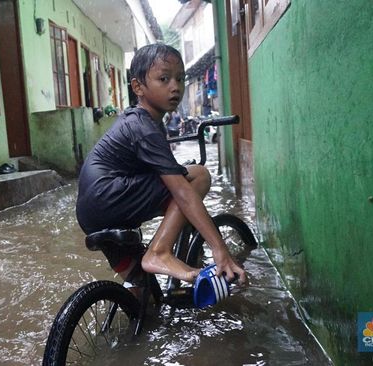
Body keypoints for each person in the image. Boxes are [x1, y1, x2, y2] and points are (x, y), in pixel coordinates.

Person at [76, 44, 247, 287]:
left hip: (91, 213)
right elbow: (181, 191)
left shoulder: (142, 122)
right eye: (164, 79)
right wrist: (220, 250)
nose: (175, 86)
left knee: (144, 292)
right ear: (138, 87)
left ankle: (136, 307)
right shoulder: (143, 126)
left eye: (180, 78)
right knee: (197, 177)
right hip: (109, 198)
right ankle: (160, 251)